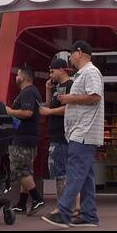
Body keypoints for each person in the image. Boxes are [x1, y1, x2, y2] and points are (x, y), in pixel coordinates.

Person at [42, 40, 104, 228]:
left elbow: (95, 97)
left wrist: (70, 98)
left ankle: (63, 212)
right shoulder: (83, 74)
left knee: (75, 172)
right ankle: (88, 215)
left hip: (83, 132)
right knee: (85, 176)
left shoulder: (91, 72)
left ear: (79, 53)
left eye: (70, 54)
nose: (69, 58)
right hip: (81, 132)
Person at [6, 66, 45, 215]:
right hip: (29, 137)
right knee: (26, 170)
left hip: (23, 138)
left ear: (24, 77)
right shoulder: (31, 92)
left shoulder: (28, 92)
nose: (17, 77)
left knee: (19, 168)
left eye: (18, 75)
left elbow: (27, 113)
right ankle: (21, 204)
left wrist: (10, 111)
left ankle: (37, 199)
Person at [39, 57, 75, 213]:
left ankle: (63, 207)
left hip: (62, 136)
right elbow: (49, 106)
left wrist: (50, 112)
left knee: (61, 172)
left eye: (52, 71)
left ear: (61, 70)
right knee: (59, 171)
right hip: (55, 135)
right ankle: (67, 206)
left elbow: (70, 108)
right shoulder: (58, 88)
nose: (50, 75)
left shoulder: (70, 86)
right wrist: (48, 90)